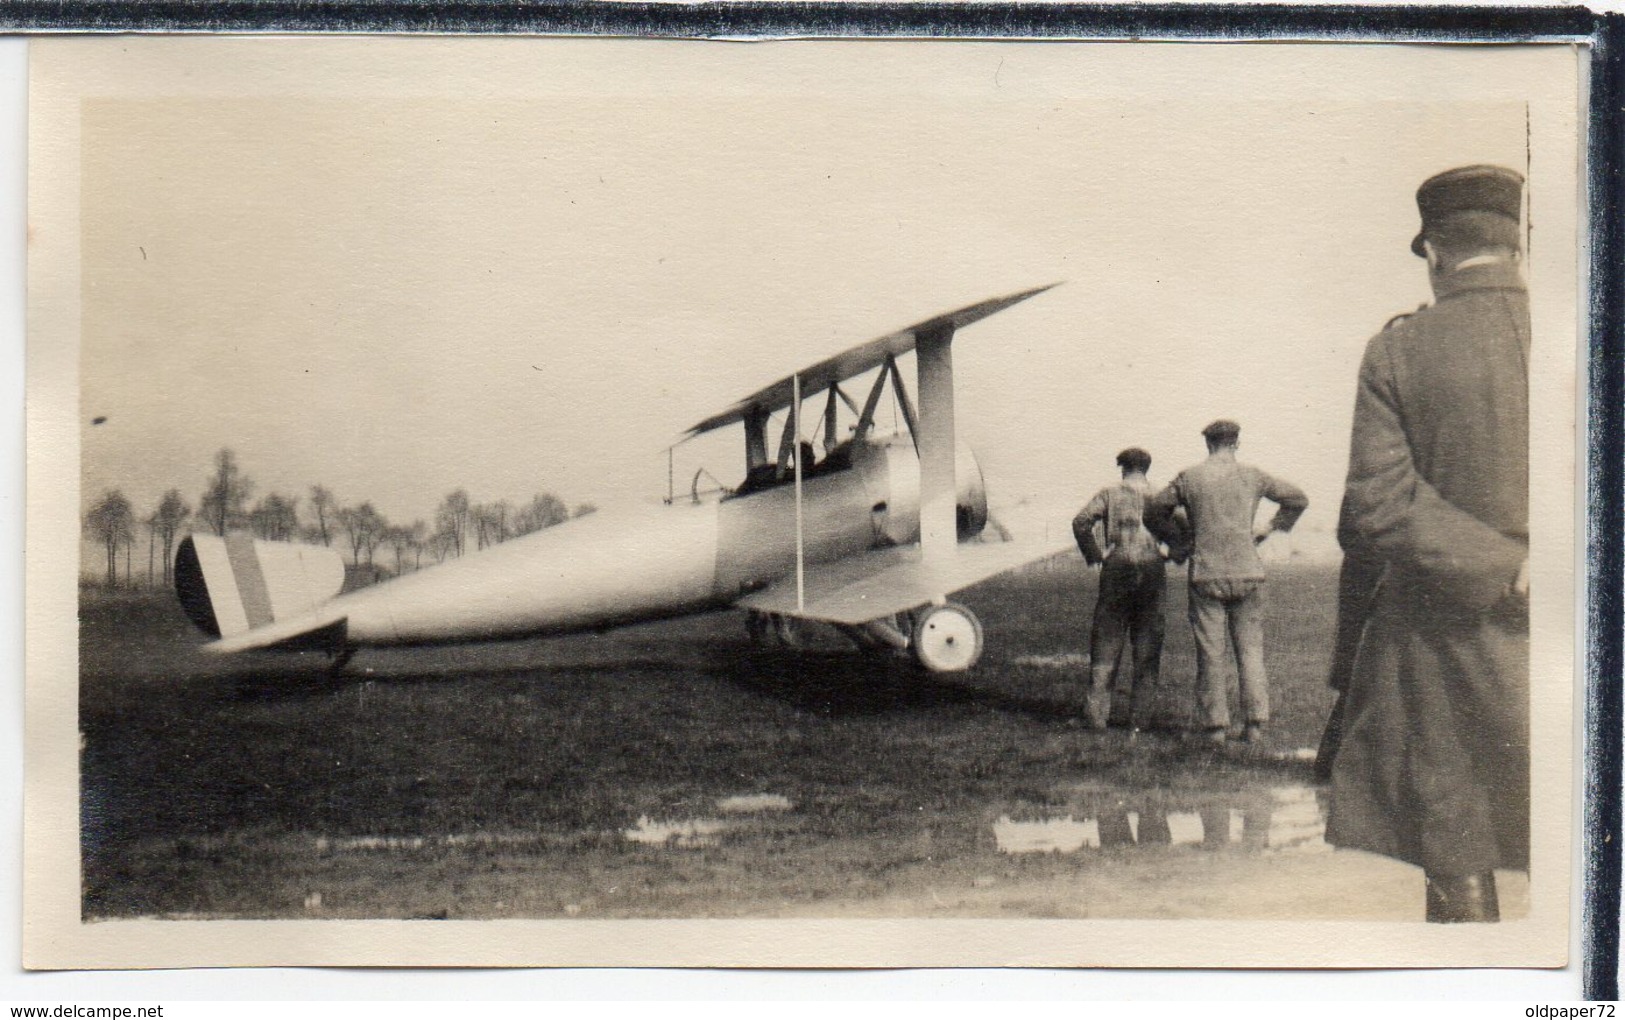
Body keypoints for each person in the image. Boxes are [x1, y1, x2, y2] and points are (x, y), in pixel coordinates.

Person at [1325, 164, 1530, 923]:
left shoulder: (1397, 351)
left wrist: (1507, 568)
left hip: (1442, 642)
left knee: (1458, 843)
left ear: (1434, 252)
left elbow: (1376, 502)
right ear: (1518, 245)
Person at [1147, 420, 1307, 744]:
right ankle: (1255, 725)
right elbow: (1297, 499)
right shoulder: (1254, 475)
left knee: (1211, 652)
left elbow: (1153, 512)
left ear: (1208, 444)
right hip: (1248, 570)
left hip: (1207, 572)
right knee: (1250, 651)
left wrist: (1181, 543)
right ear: (1237, 443)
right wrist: (1270, 527)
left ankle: (1215, 727)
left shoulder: (1189, 477)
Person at [1072, 447, 1171, 731]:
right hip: (1152, 569)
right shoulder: (1162, 497)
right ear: (1147, 469)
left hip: (1116, 569)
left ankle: (1096, 717)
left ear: (1122, 469)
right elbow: (1185, 527)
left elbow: (1081, 522)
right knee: (1147, 646)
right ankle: (1140, 721)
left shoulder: (1109, 494)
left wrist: (1096, 553)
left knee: (1106, 643)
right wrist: (1168, 550)